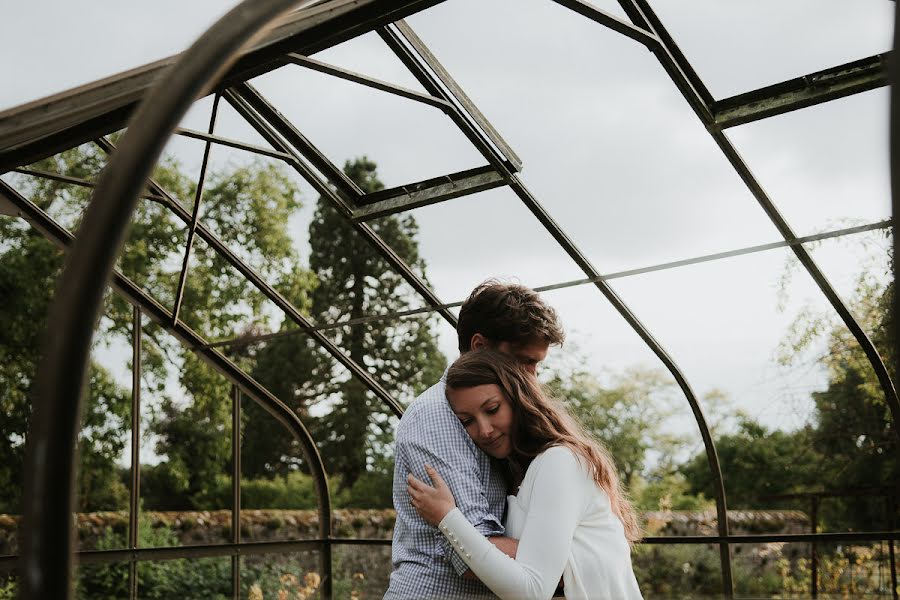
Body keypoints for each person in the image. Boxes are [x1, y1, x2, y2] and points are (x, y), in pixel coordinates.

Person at [407, 350, 643, 600]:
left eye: (493, 409)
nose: (484, 430)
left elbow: (531, 591)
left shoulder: (559, 461)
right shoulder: (519, 471)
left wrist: (447, 516)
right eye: (467, 421)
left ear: (518, 398)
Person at [385, 280, 565, 599]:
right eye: (524, 362)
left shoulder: (501, 421)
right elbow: (470, 553)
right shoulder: (436, 416)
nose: (533, 380)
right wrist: (580, 558)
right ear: (480, 347)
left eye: (537, 365)